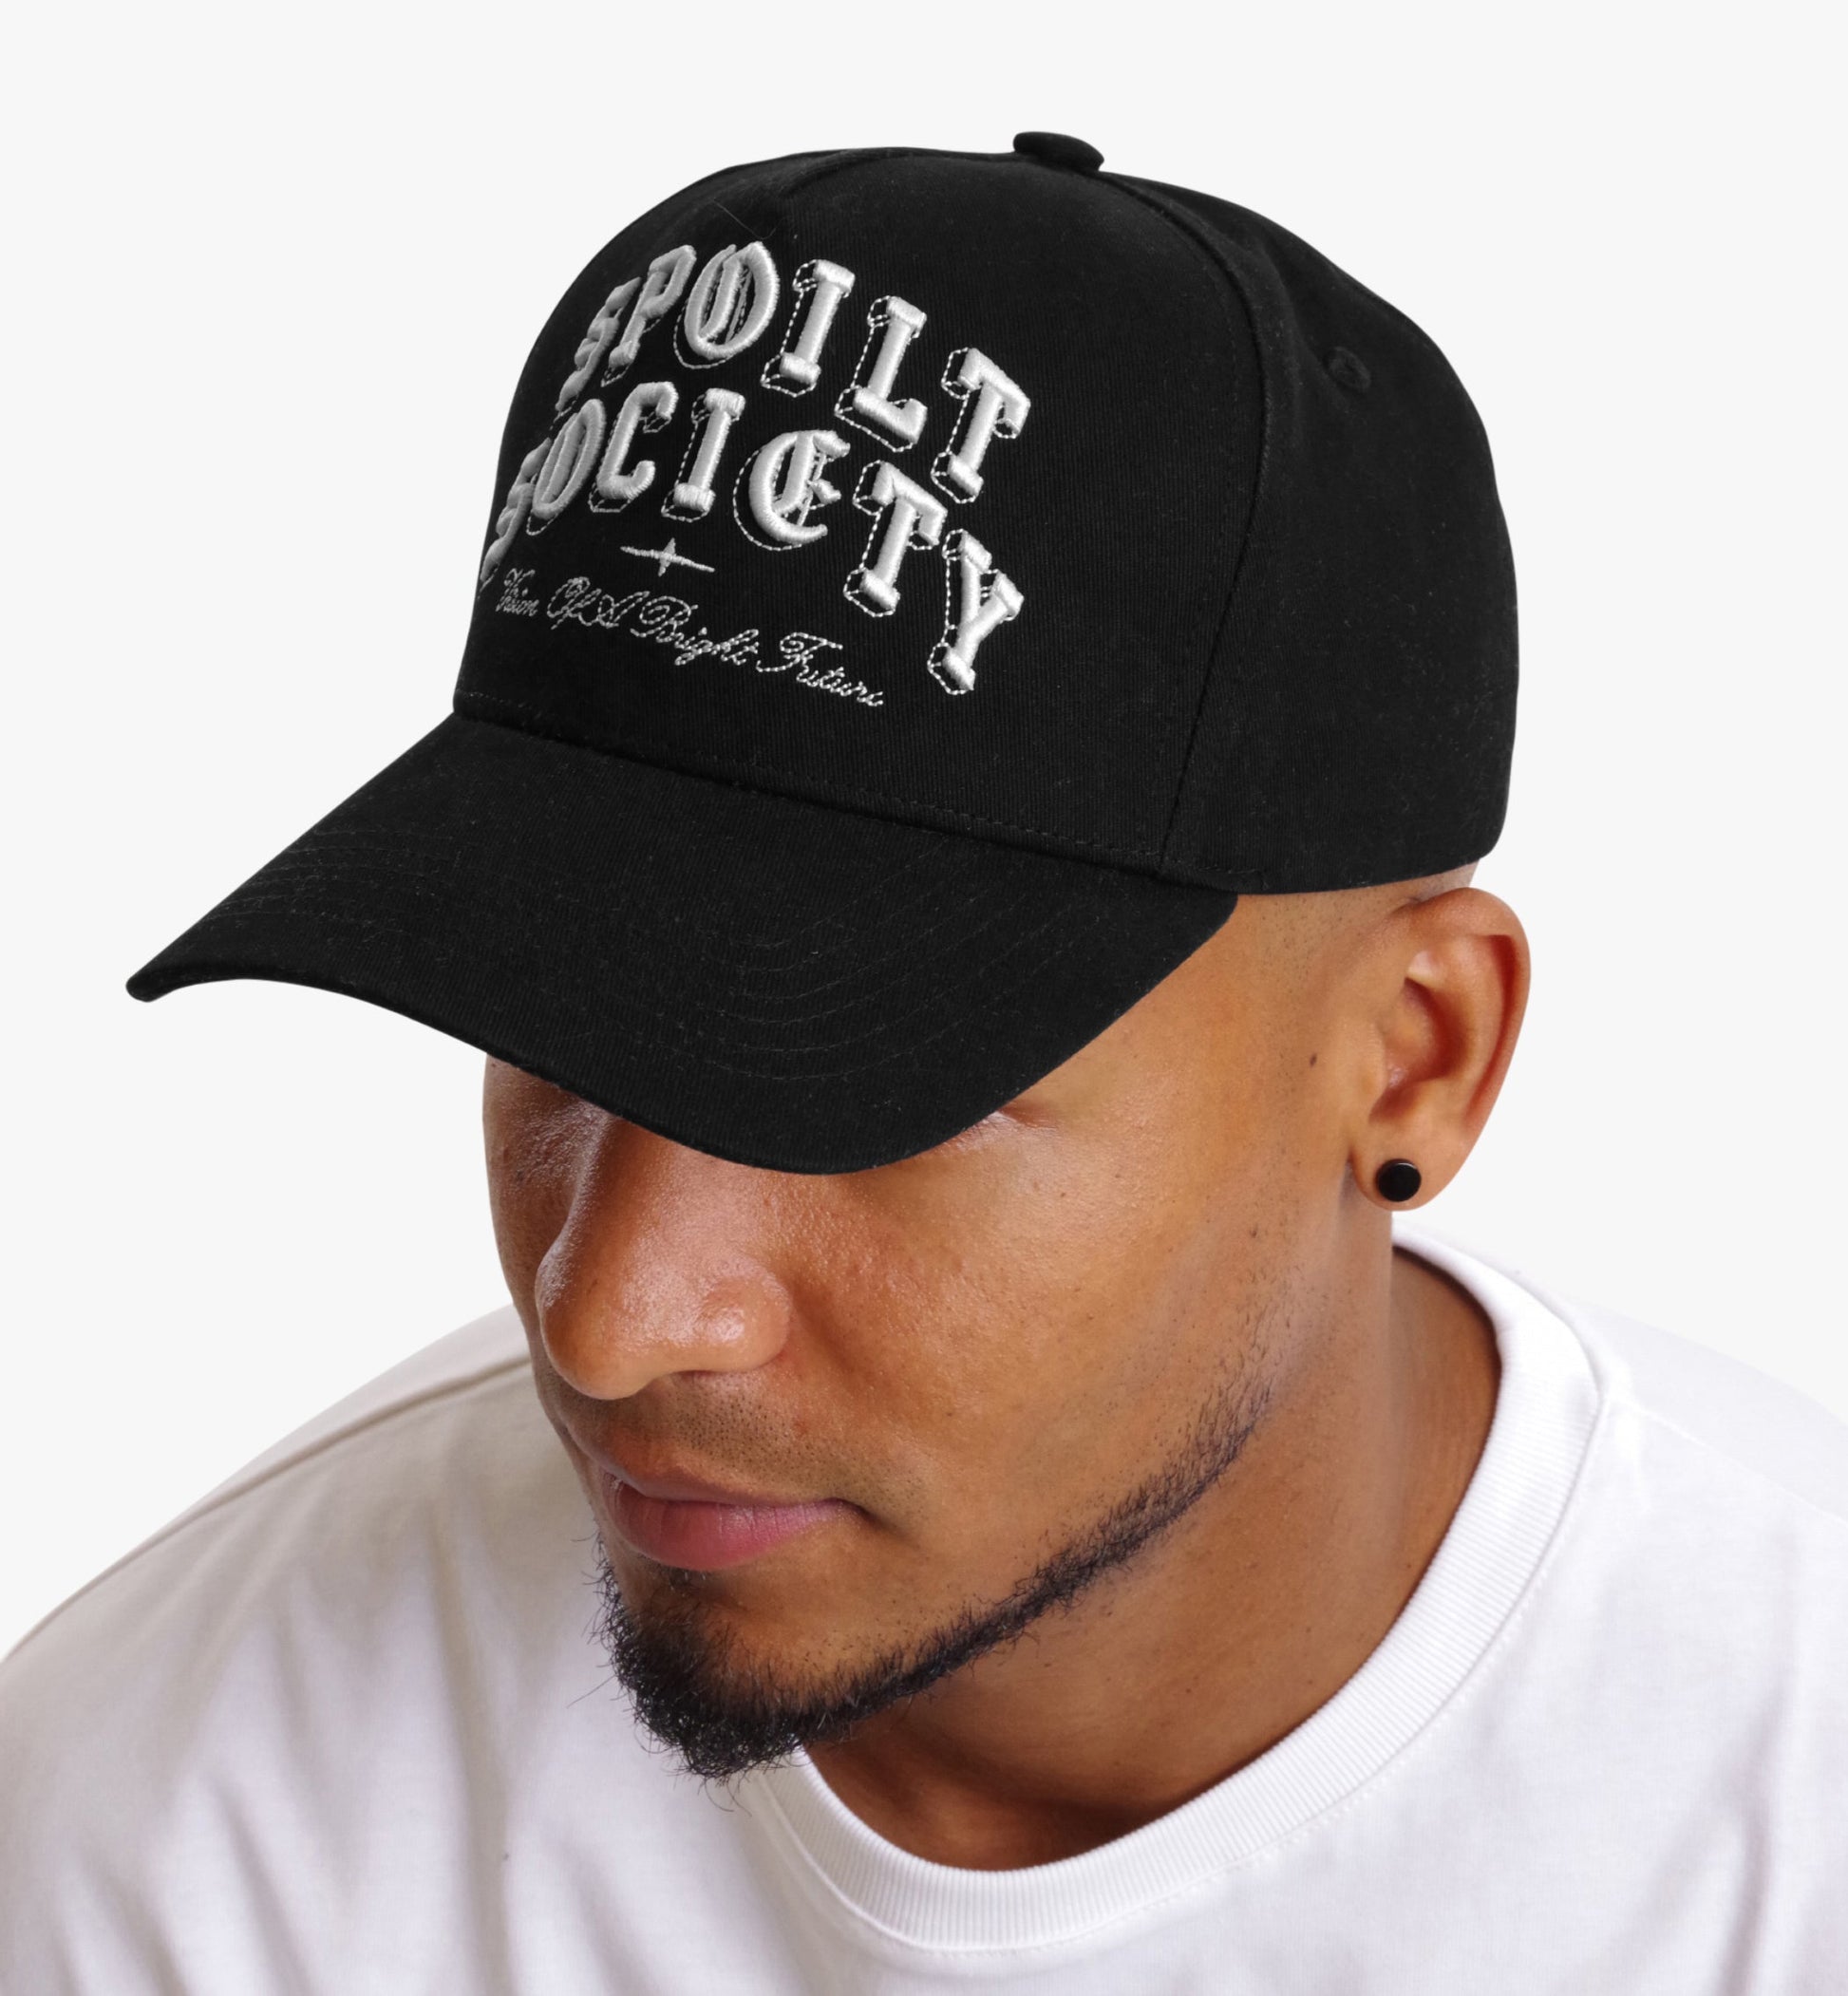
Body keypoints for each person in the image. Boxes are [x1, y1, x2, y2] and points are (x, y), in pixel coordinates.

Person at [3, 133, 1843, 1994]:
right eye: (555, 1026)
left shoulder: (1787, 1827)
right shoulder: (177, 1834)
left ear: (1413, 1060)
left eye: (882, 1078)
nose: (609, 1318)